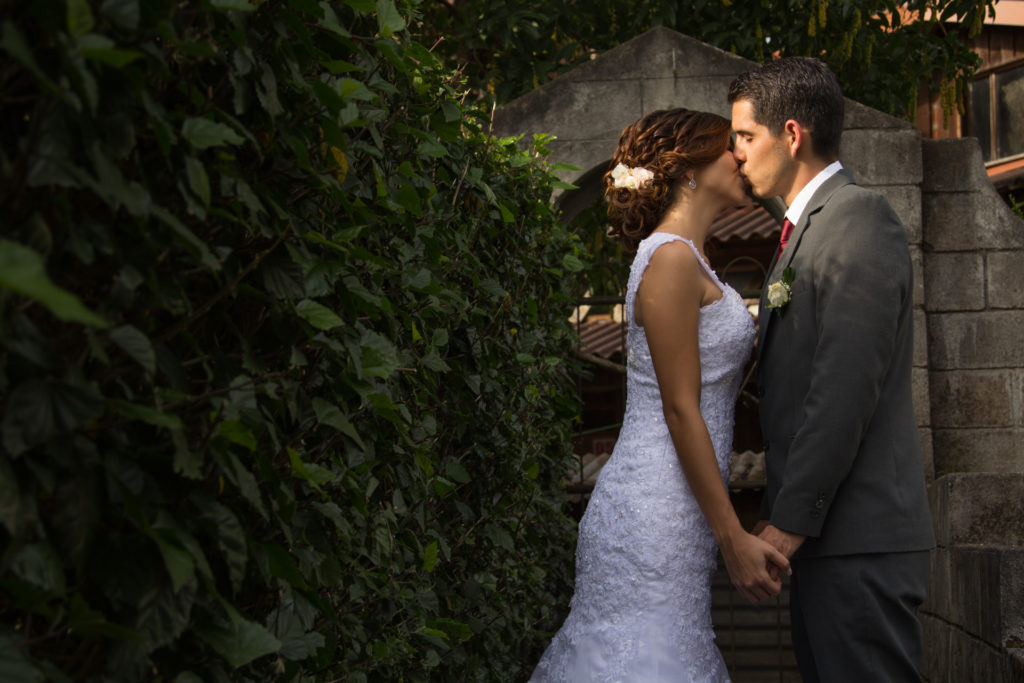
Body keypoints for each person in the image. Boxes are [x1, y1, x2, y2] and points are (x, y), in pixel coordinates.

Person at [530, 109, 790, 683]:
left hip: (679, 507)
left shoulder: (692, 259)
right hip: (652, 510)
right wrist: (732, 536)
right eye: (731, 146)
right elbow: (679, 408)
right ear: (690, 168)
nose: (742, 156)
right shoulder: (669, 259)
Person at [728, 57, 935, 682]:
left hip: (860, 541)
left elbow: (844, 389)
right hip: (830, 541)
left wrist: (789, 521)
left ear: (791, 135)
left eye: (744, 136)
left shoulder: (859, 220)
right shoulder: (802, 234)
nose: (734, 152)